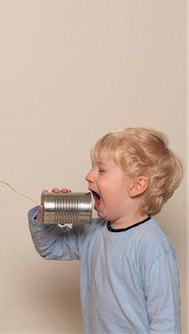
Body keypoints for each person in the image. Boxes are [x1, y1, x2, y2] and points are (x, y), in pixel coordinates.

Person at [28, 127, 183, 334]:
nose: (88, 176)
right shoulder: (93, 232)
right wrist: (45, 216)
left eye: (101, 170)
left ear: (137, 186)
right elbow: (50, 247)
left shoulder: (152, 246)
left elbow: (166, 322)